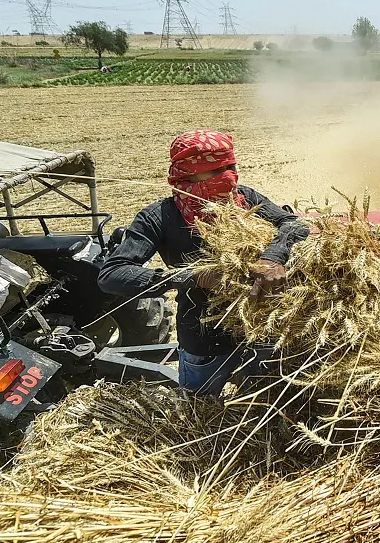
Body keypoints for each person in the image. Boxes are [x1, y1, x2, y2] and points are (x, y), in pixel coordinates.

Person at [98, 129, 309, 396]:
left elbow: (292, 223)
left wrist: (272, 257)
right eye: (214, 170)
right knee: (201, 405)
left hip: (265, 327)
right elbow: (112, 274)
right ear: (185, 174)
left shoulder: (245, 199)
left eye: (230, 166)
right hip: (205, 337)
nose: (229, 177)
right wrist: (192, 277)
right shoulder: (159, 218)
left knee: (264, 399)